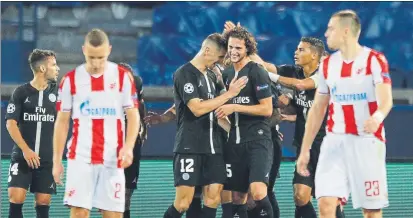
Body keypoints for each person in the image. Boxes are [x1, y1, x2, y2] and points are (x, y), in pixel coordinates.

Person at [297, 10, 392, 218]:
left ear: (345, 31)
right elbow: (318, 109)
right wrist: (305, 149)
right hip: (334, 142)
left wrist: (376, 118)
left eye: (331, 28)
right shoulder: (328, 65)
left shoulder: (374, 60)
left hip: (367, 142)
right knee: (326, 203)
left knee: (371, 211)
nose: (326, 33)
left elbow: (386, 100)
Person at [52, 29, 140, 218]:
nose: (96, 63)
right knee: (79, 213)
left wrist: (129, 146)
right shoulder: (70, 80)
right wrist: (57, 161)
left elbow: (133, 115)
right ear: (84, 50)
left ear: (109, 50)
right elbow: (62, 122)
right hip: (80, 157)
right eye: (91, 57)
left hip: (112, 158)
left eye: (100, 57)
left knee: (113, 215)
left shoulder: (123, 77)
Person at [163, 33, 247, 218]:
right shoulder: (184, 73)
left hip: (214, 148)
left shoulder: (211, 75)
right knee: (183, 203)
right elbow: (197, 109)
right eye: (218, 57)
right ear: (207, 51)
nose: (219, 62)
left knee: (213, 199)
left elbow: (219, 111)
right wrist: (229, 94)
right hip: (189, 146)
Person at [217, 26, 274, 218]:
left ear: (248, 49)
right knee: (238, 196)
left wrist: (235, 107)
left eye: (238, 48)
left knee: (257, 192)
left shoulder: (257, 72)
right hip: (235, 142)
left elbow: (267, 109)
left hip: (258, 140)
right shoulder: (226, 75)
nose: (233, 52)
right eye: (231, 47)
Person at [6, 49, 60, 218]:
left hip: (46, 160)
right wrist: (25, 150)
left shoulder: (58, 95)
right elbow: (10, 123)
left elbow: (63, 126)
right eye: (53, 64)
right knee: (16, 198)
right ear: (42, 69)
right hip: (22, 157)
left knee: (43, 203)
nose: (57, 68)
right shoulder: (21, 92)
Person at [118, 62, 147, 218]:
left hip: (132, 141)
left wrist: (144, 127)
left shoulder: (136, 82)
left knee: (127, 191)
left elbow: (141, 104)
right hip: (111, 143)